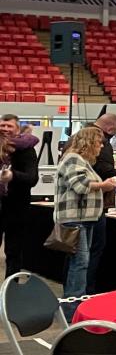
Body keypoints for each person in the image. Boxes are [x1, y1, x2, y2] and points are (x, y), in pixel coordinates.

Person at [55, 126, 116, 316]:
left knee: (82, 261)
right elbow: (80, 186)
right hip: (76, 219)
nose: (101, 147)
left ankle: (74, 304)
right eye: (99, 143)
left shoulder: (82, 160)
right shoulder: (73, 158)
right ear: (90, 143)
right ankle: (72, 309)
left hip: (85, 218)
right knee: (80, 263)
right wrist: (105, 185)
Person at [0, 114, 39, 273]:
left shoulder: (26, 150)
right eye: (3, 125)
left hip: (16, 208)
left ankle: (11, 290)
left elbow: (32, 178)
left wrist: (13, 176)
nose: (5, 129)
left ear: (17, 129)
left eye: (10, 126)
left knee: (14, 251)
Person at [87, 113, 116, 293]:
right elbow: (104, 172)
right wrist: (115, 174)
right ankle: (86, 292)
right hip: (92, 207)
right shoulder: (99, 140)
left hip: (84, 208)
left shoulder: (80, 137)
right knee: (92, 250)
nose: (102, 145)